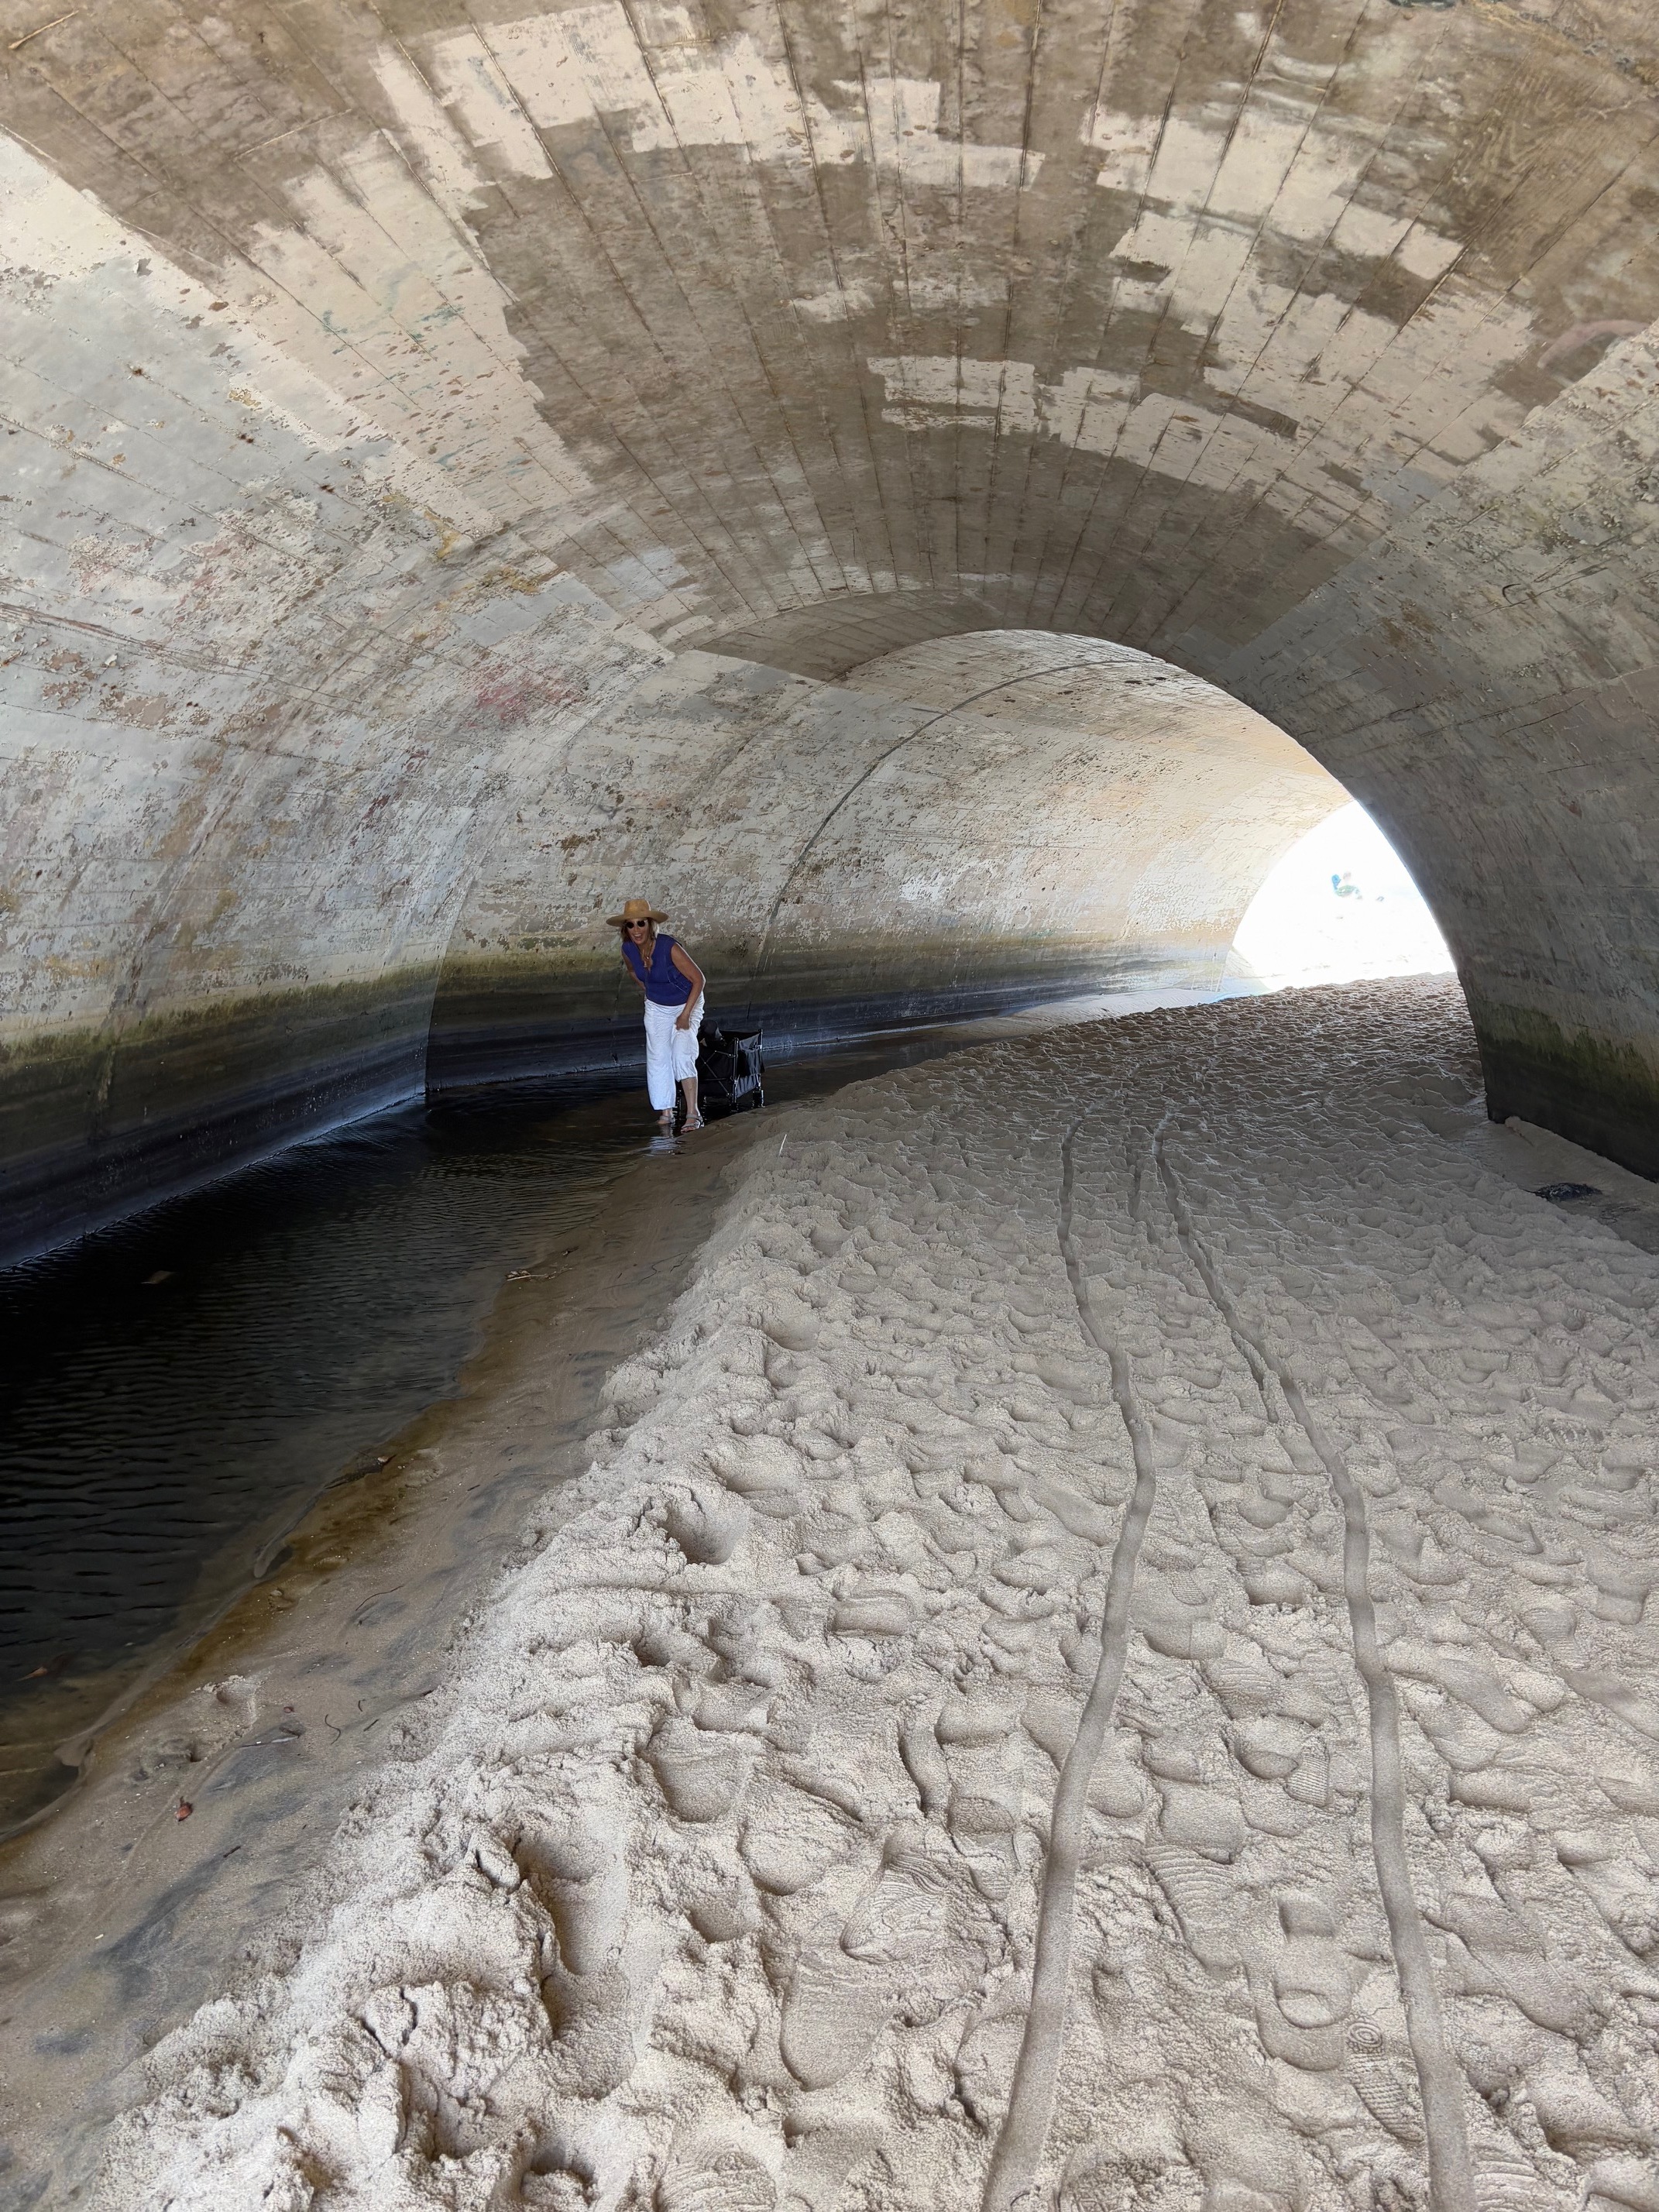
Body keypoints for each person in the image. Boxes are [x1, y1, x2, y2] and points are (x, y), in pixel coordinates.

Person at [610, 897, 706, 1131]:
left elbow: (699, 980)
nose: (636, 930)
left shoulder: (668, 947)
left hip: (686, 1003)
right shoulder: (627, 949)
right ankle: (667, 1111)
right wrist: (649, 991)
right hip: (656, 1007)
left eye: (641, 923)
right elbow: (633, 971)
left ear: (650, 925)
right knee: (658, 1058)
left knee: (682, 1052)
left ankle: (693, 1113)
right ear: (626, 929)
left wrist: (685, 1015)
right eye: (630, 925)